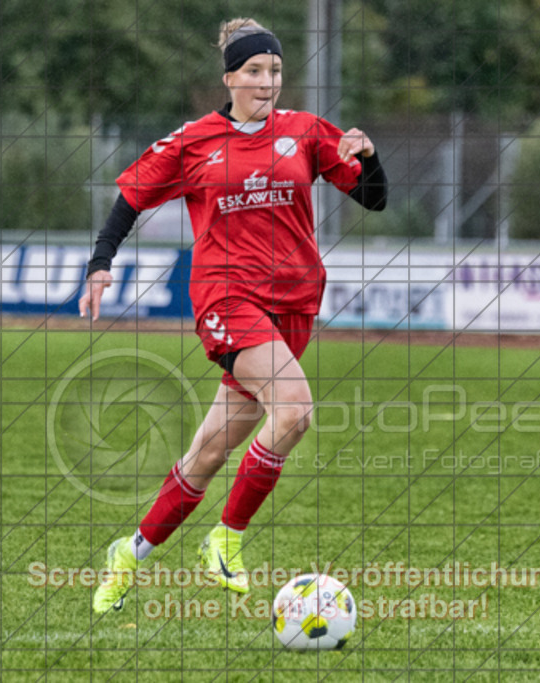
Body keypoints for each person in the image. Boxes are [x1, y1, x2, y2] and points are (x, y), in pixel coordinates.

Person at [81, 17, 387, 614]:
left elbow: (372, 198)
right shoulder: (195, 140)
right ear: (230, 78)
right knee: (294, 410)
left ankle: (130, 552)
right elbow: (132, 198)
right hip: (227, 299)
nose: (268, 81)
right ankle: (227, 537)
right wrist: (100, 262)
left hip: (295, 304)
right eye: (254, 71)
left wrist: (371, 157)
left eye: (275, 70)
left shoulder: (305, 132)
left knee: (208, 455)